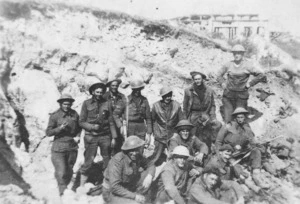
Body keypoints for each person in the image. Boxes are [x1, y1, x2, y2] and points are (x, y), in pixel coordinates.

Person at [215, 107, 268, 188]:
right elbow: (218, 142)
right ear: (235, 118)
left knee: (256, 151)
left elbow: (252, 141)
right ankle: (246, 181)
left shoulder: (247, 128)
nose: (240, 119)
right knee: (233, 165)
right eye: (238, 117)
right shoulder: (227, 126)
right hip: (229, 153)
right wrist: (220, 155)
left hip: (242, 152)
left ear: (245, 117)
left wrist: (259, 145)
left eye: (242, 117)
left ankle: (256, 175)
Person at [79, 82, 117, 186]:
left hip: (105, 135)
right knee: (88, 160)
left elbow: (111, 121)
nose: (99, 94)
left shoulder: (107, 103)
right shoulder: (86, 103)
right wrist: (91, 127)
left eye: (101, 92)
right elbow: (81, 121)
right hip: (91, 136)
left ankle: (106, 183)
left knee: (107, 159)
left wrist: (114, 137)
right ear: (92, 92)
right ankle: (82, 185)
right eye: (97, 92)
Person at [217, 44, 266, 123]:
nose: (237, 55)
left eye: (239, 53)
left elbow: (261, 75)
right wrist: (222, 83)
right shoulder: (228, 64)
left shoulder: (248, 65)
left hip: (241, 97)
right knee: (228, 120)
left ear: (243, 54)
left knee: (240, 120)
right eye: (235, 53)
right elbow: (219, 75)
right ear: (233, 54)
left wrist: (250, 83)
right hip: (228, 95)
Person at [103, 136, 155, 204]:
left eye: (137, 150)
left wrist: (150, 175)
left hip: (127, 184)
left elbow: (150, 164)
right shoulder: (117, 161)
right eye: (132, 150)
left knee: (146, 175)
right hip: (111, 192)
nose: (134, 153)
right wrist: (134, 196)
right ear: (126, 150)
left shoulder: (137, 155)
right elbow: (114, 187)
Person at [46, 94, 81, 195]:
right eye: (64, 104)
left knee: (69, 170)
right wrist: (59, 128)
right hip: (59, 147)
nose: (67, 106)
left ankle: (64, 187)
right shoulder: (55, 116)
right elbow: (48, 132)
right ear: (60, 104)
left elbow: (79, 127)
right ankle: (62, 192)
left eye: (69, 104)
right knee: (61, 171)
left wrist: (78, 136)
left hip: (72, 146)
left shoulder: (74, 114)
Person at [149, 86, 184, 166]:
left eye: (169, 95)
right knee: (155, 157)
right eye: (165, 96)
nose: (168, 98)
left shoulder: (176, 105)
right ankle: (147, 168)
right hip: (160, 134)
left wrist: (177, 134)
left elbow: (181, 121)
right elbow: (152, 120)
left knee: (174, 156)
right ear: (162, 96)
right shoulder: (156, 106)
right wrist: (155, 132)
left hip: (172, 134)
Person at [104, 78, 126, 154]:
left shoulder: (121, 96)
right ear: (109, 86)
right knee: (108, 144)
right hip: (107, 124)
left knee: (119, 143)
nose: (114, 87)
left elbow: (124, 110)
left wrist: (123, 121)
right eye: (112, 85)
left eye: (116, 85)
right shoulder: (104, 96)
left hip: (118, 124)